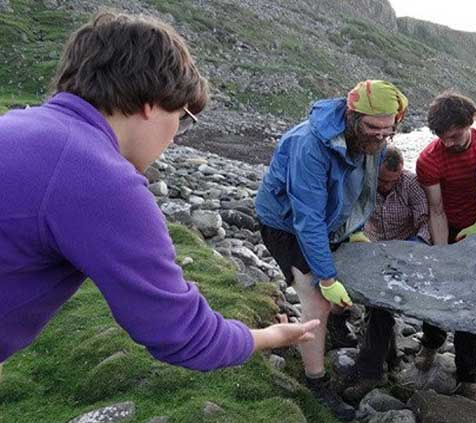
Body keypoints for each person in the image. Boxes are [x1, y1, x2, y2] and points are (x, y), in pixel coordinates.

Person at [0, 12, 318, 381]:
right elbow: (184, 335)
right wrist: (267, 336)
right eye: (183, 119)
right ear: (152, 103)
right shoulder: (101, 179)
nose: (174, 138)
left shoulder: (17, 125)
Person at [254, 80, 408, 420]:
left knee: (344, 278)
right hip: (286, 223)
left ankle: (335, 331)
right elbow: (306, 219)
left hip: (329, 222)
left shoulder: (373, 141)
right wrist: (324, 276)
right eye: (373, 128)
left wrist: (351, 232)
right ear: (352, 116)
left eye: (388, 131)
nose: (380, 138)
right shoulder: (308, 145)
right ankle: (316, 382)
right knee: (317, 299)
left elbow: (357, 190)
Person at [342, 145, 431, 402]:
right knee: (376, 306)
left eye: (393, 181)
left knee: (381, 307)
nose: (387, 186)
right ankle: (388, 359)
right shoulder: (362, 181)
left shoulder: (411, 184)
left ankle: (372, 370)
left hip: (405, 250)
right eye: (382, 181)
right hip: (370, 246)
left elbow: (425, 220)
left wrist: (416, 245)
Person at [414, 92, 476, 400]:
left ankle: (469, 375)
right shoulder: (429, 160)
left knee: (471, 303)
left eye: (455, 136)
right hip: (449, 225)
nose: (448, 143)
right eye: (442, 137)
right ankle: (431, 342)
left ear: (470, 123)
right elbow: (436, 209)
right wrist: (442, 255)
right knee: (439, 289)